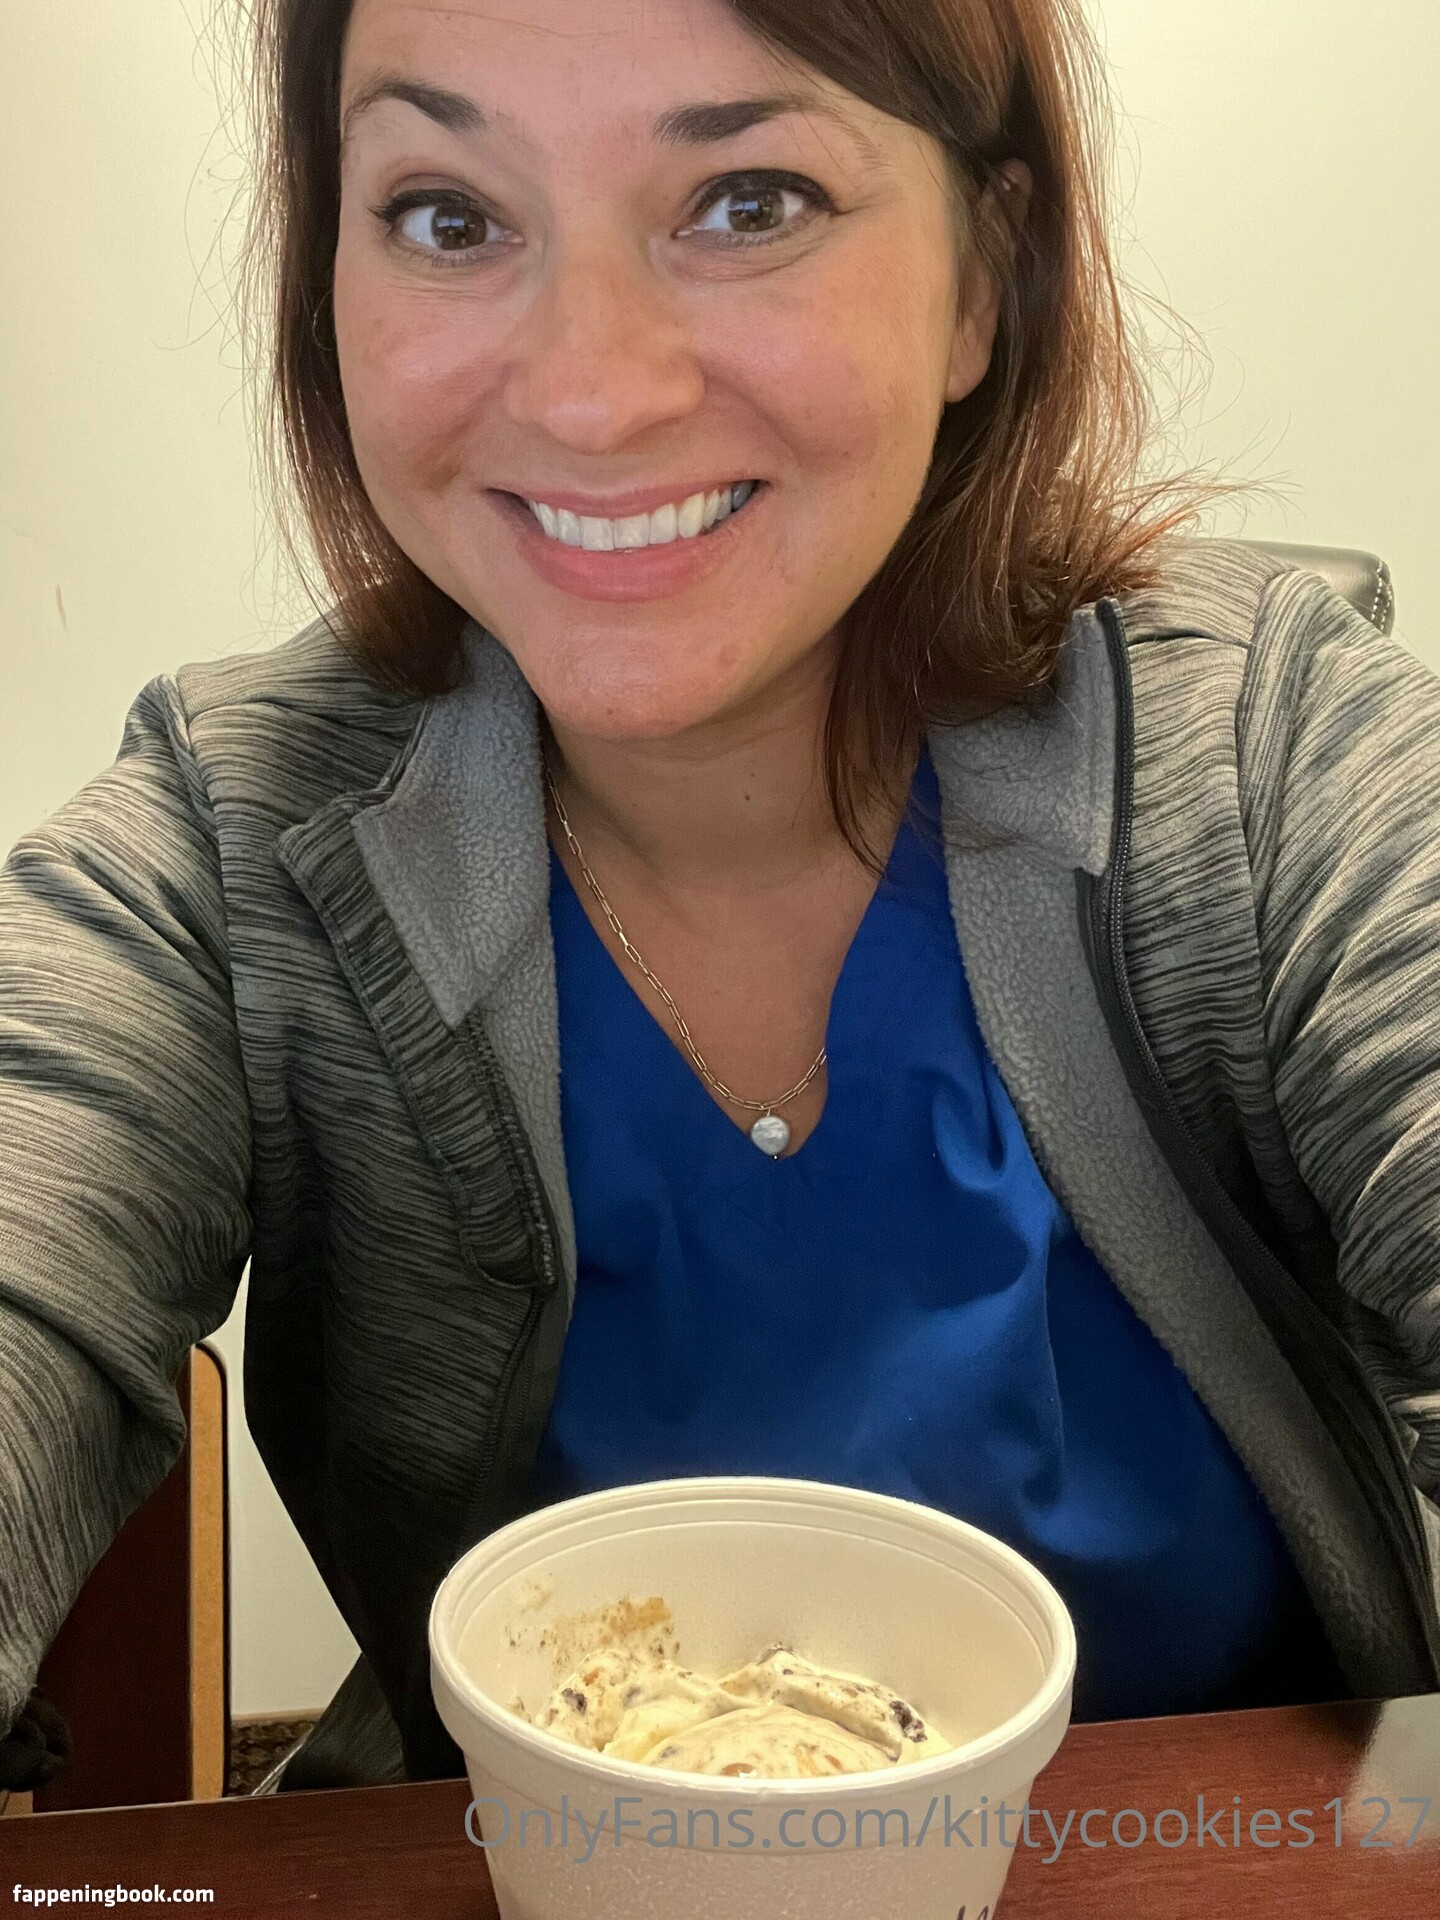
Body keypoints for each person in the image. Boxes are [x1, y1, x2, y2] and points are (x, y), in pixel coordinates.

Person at [2, 0, 1438, 1794]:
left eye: (750, 201)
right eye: (450, 216)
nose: (592, 392)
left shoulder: (1270, 755)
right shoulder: (233, 845)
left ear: (983, 279)